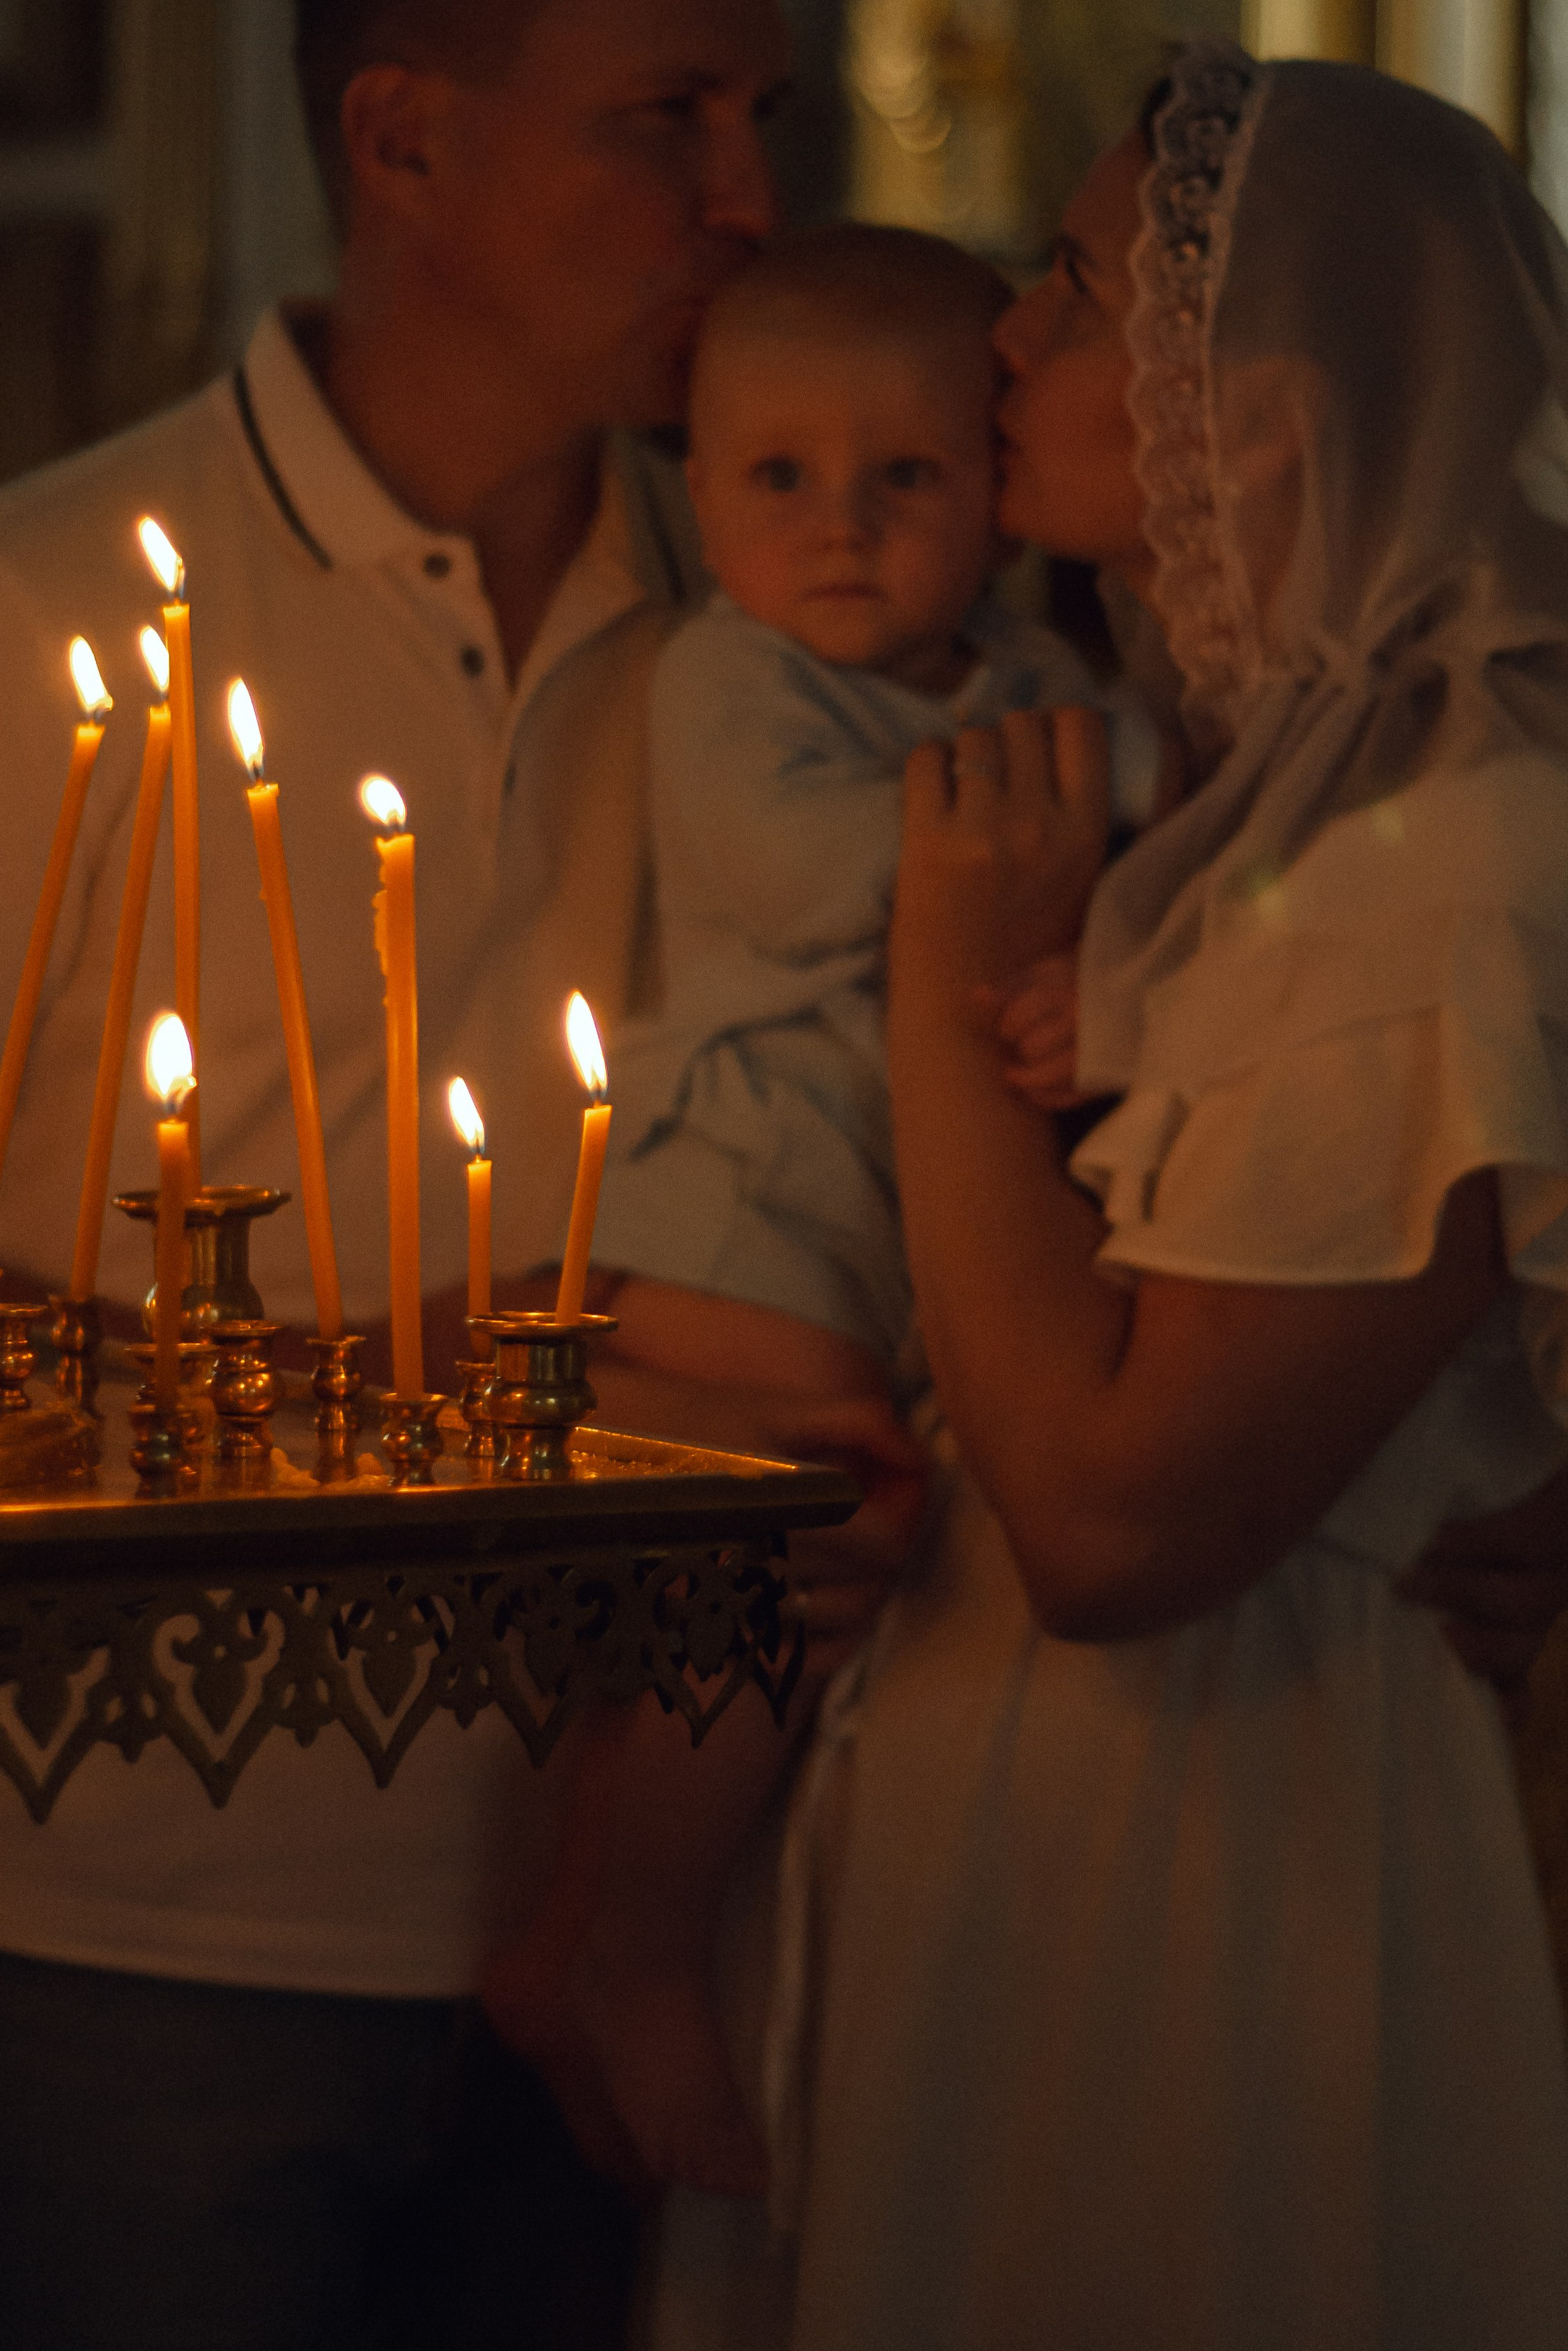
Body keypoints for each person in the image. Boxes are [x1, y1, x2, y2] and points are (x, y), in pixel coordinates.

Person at [639, 46, 1568, 2350]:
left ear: (1247, 408)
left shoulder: (1466, 854)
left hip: (1212, 1834)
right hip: (1000, 1794)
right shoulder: (1219, 772)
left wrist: (952, 979)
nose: (1002, 338)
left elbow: (1112, 1525)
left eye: (1071, 292)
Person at [0, 0, 922, 2351]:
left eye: (768, 120)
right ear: (406, 137)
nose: (750, 198)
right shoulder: (25, 620)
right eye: (668, 118)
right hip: (123, 1925)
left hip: (653, 1900)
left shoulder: (806, 637)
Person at [483, 222, 1157, 2201]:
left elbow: (1143, 829)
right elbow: (805, 876)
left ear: (998, 488)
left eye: (911, 477)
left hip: (899, 1227)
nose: (843, 527)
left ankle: (570, 1928)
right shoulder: (729, 677)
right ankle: (638, 1940)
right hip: (749, 1203)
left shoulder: (1039, 676)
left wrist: (1093, 913)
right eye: (781, 476)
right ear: (702, 492)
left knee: (800, 1570)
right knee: (797, 1529)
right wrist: (1048, 866)